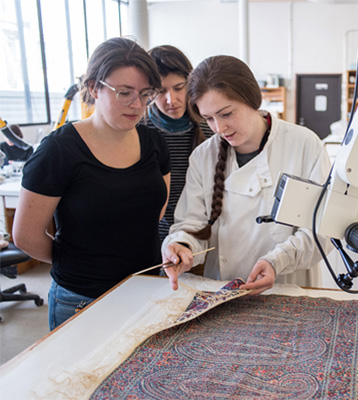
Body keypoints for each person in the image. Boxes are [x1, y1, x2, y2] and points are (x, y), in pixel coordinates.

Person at [13, 37, 171, 330]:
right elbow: (26, 235)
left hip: (146, 288)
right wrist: (75, 262)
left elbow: (156, 210)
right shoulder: (58, 151)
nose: (137, 104)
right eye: (124, 92)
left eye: (145, 93)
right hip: (82, 297)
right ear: (94, 88)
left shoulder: (154, 142)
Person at [161, 55, 331, 295]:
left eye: (226, 113)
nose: (219, 128)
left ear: (251, 99)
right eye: (209, 118)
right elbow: (192, 225)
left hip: (287, 288)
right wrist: (181, 246)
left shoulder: (304, 145)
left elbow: (321, 230)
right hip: (223, 291)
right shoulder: (203, 156)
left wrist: (277, 260)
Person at [142, 45, 214, 244]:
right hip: (153, 239)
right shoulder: (140, 131)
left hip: (199, 236)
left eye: (179, 88)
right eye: (161, 91)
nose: (171, 100)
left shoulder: (209, 126)